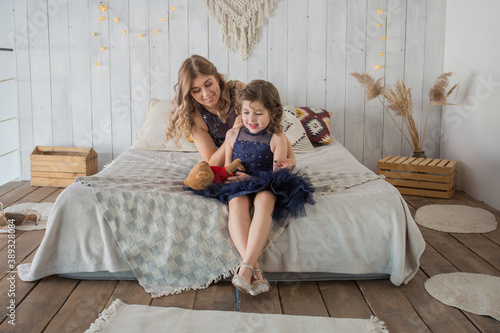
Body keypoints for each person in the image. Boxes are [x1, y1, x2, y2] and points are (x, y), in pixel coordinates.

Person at [201, 80, 315, 296]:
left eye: (258, 114)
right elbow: (227, 168)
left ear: (272, 113)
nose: (250, 120)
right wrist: (238, 177)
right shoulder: (232, 135)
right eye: (245, 113)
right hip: (239, 183)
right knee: (236, 204)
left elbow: (277, 174)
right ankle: (254, 269)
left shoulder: (277, 138)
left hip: (266, 182)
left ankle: (245, 267)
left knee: (264, 202)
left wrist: (251, 179)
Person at [167, 54, 296, 170]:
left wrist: (291, 159)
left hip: (263, 159)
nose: (206, 94)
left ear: (216, 78)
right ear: (189, 93)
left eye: (208, 84)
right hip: (234, 165)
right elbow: (213, 163)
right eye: (196, 90)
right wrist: (233, 133)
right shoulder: (196, 117)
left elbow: (275, 127)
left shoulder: (238, 91)